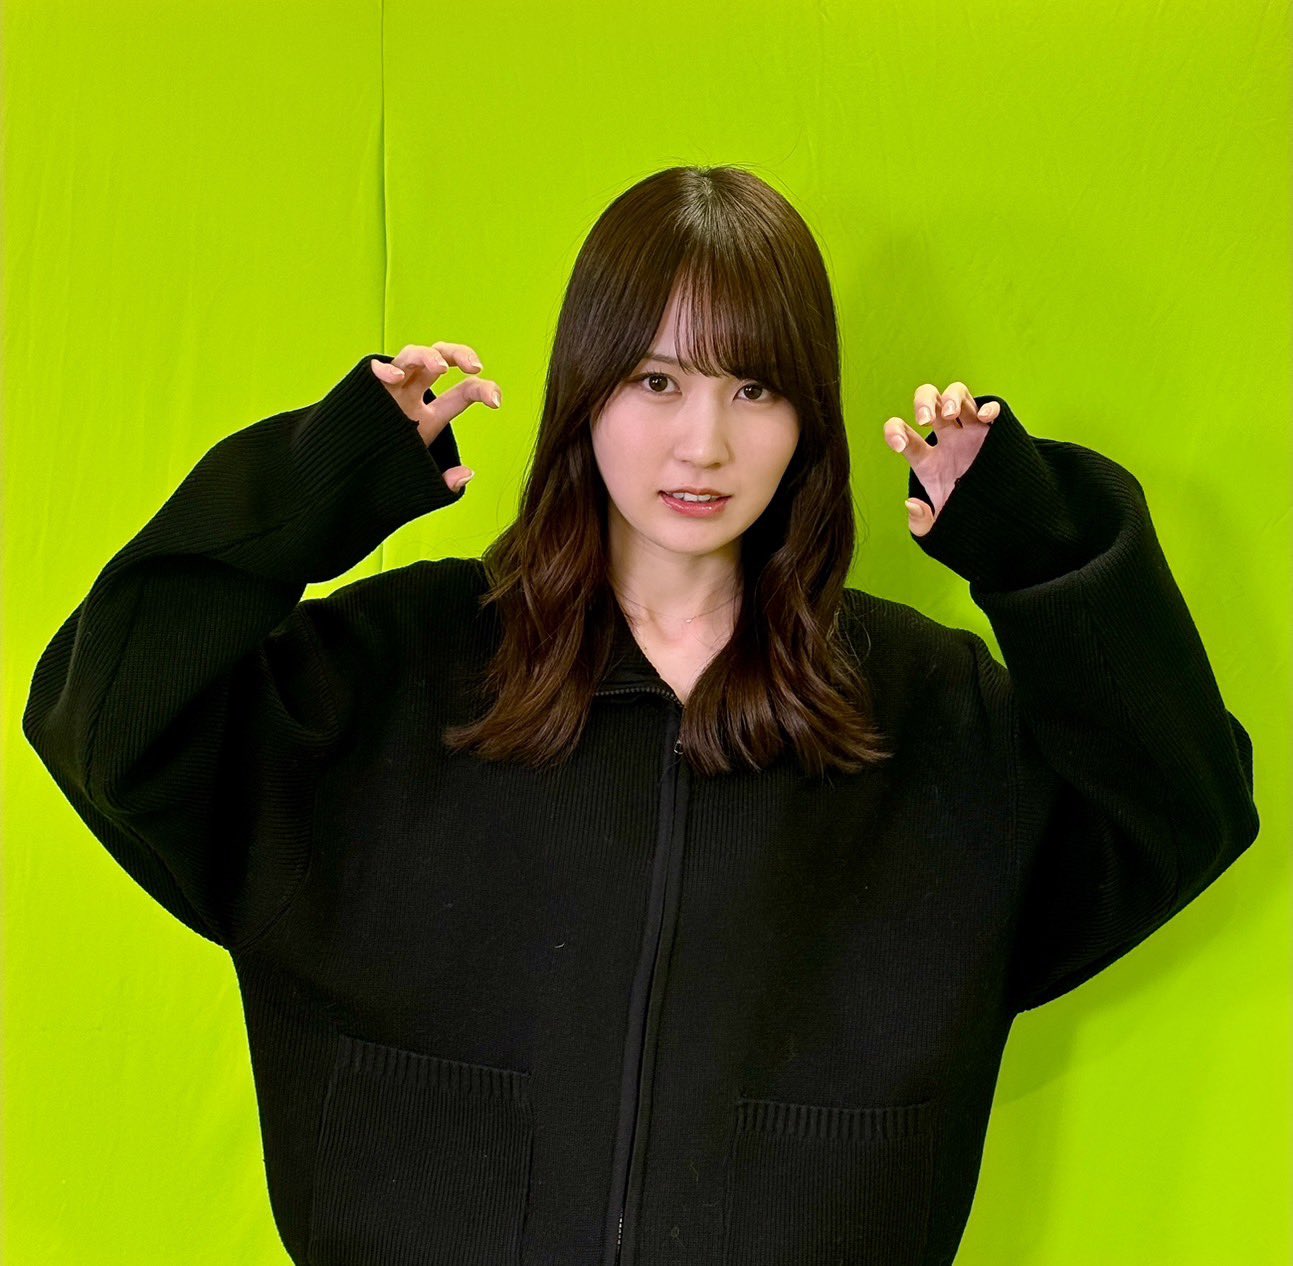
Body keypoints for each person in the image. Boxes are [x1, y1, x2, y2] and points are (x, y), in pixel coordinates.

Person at [22, 165, 1259, 1266]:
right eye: (657, 379)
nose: (702, 443)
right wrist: (321, 482)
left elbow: (1182, 805)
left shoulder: (925, 711)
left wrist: (1035, 544)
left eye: (754, 387)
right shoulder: (393, 670)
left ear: (807, 420)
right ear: (586, 392)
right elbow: (104, 715)